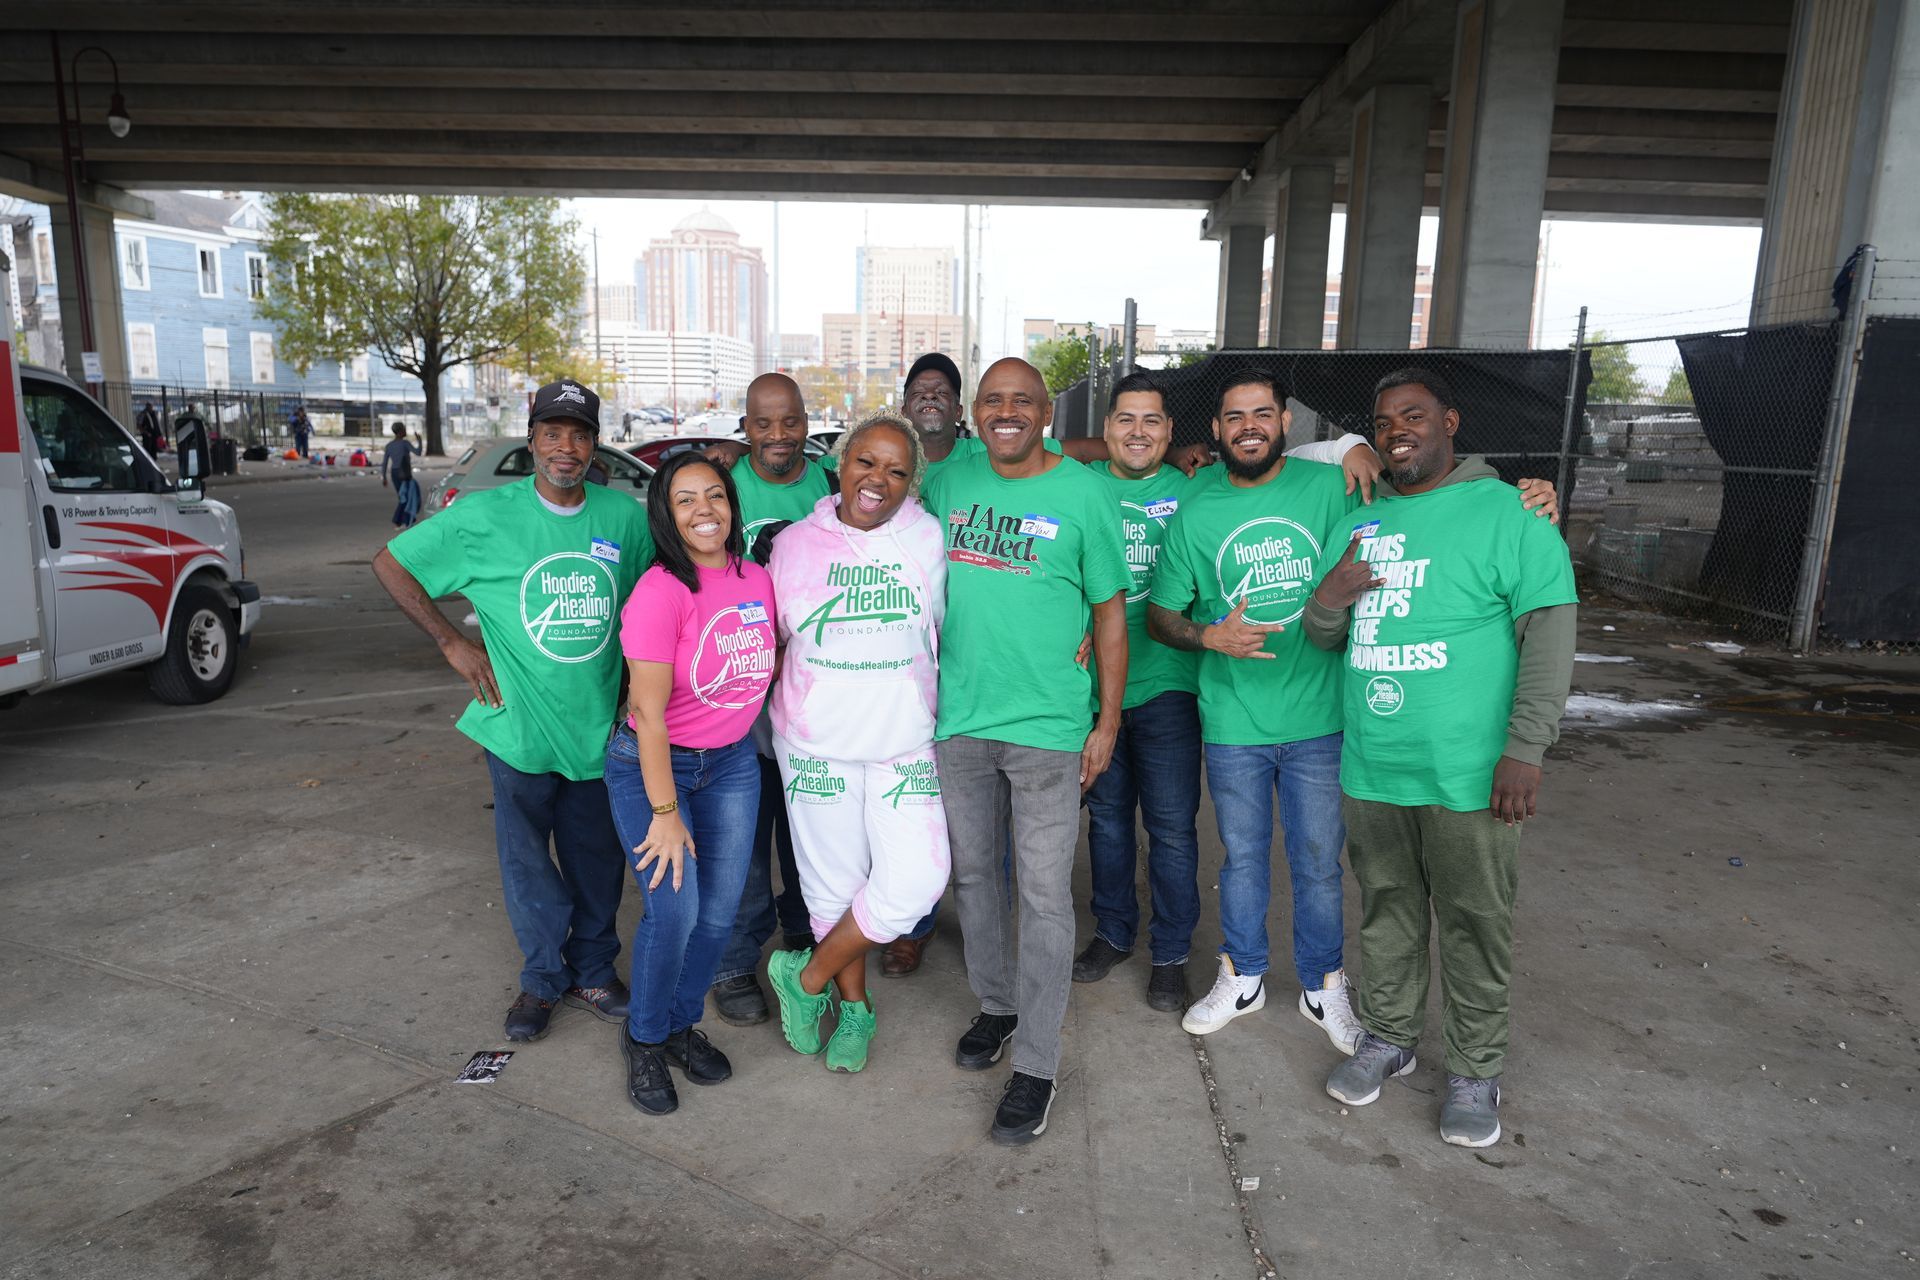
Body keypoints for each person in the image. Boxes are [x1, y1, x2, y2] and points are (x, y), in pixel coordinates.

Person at [1147, 372, 1559, 1054]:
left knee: (1318, 863)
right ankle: (1242, 973)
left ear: (1285, 422)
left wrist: (1528, 492)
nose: (1248, 425)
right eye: (1233, 417)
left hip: (1322, 719)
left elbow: (1416, 481)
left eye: (1262, 413)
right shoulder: (1196, 507)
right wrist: (1208, 636)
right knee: (1242, 858)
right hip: (1233, 722)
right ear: (1216, 431)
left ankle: (1324, 988)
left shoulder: (1337, 486)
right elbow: (1161, 614)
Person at [1307, 368, 1577, 1148]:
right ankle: (1389, 1039)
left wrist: (1526, 748)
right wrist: (1330, 596)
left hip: (1469, 773)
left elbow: (1549, 633)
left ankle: (1474, 1070)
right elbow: (1324, 637)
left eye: (1414, 415)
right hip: (1374, 766)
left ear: (1449, 423)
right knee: (1388, 908)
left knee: (1474, 921)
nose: (1398, 429)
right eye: (1385, 418)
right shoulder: (1360, 521)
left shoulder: (1508, 513)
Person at [1072, 372, 1379, 1014]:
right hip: (1132, 692)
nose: (1138, 432)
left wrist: (1353, 443)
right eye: (1125, 420)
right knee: (1116, 825)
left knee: (1195, 834)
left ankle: (1197, 959)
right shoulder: (1126, 490)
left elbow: (1405, 491)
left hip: (1208, 695)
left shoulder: (1237, 485)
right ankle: (1142, 942)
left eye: (1152, 420)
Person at [372, 378, 649, 1045]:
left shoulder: (625, 519)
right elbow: (390, 562)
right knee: (527, 862)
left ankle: (592, 970)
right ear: (532, 443)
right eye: (553, 434)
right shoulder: (486, 517)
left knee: (596, 860)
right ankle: (542, 979)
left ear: (595, 447)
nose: (566, 448)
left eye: (580, 435)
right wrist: (452, 643)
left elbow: (648, 607)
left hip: (595, 728)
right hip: (516, 726)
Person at [923, 357, 1131, 1146]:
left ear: (1047, 413)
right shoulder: (949, 485)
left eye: (1022, 401)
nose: (1005, 412)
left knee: (1044, 897)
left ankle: (1037, 1066)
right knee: (975, 876)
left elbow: (1110, 614)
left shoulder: (1083, 494)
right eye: (992, 401)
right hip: (960, 723)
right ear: (977, 414)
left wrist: (1106, 721)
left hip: (1049, 729)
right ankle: (997, 1005)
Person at [760, 411, 950, 1073]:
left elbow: (969, 620)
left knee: (917, 882)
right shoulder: (793, 547)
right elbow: (770, 641)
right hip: (816, 742)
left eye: (897, 471)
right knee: (829, 892)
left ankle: (805, 979)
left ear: (911, 484)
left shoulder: (928, 539)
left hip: (905, 742)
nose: (879, 480)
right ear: (839, 465)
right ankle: (855, 1011)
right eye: (867, 462)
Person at [605, 450, 778, 1116]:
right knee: (673, 911)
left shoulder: (755, 579)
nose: (704, 510)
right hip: (655, 764)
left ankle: (677, 1024)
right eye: (685, 500)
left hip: (731, 761)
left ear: (732, 507)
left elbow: (772, 651)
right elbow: (647, 714)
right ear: (665, 515)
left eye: (715, 496)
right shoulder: (660, 592)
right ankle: (644, 1038)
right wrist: (665, 810)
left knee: (717, 915)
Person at [708, 373, 834, 1025]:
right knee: (741, 844)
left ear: (806, 422)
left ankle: (805, 943)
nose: (778, 435)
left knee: (809, 839)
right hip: (737, 709)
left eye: (789, 422)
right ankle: (733, 962)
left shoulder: (829, 484)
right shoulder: (721, 487)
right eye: (763, 423)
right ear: (745, 425)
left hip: (811, 708)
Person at [382, 422, 423, 528]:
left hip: (394, 473)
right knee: (407, 497)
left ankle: (403, 519)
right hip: (404, 474)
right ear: (400, 432)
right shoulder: (405, 443)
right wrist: (419, 441)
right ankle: (400, 519)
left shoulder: (389, 445)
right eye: (404, 429)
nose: (405, 431)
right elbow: (418, 452)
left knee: (402, 496)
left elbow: (385, 462)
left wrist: (384, 477)